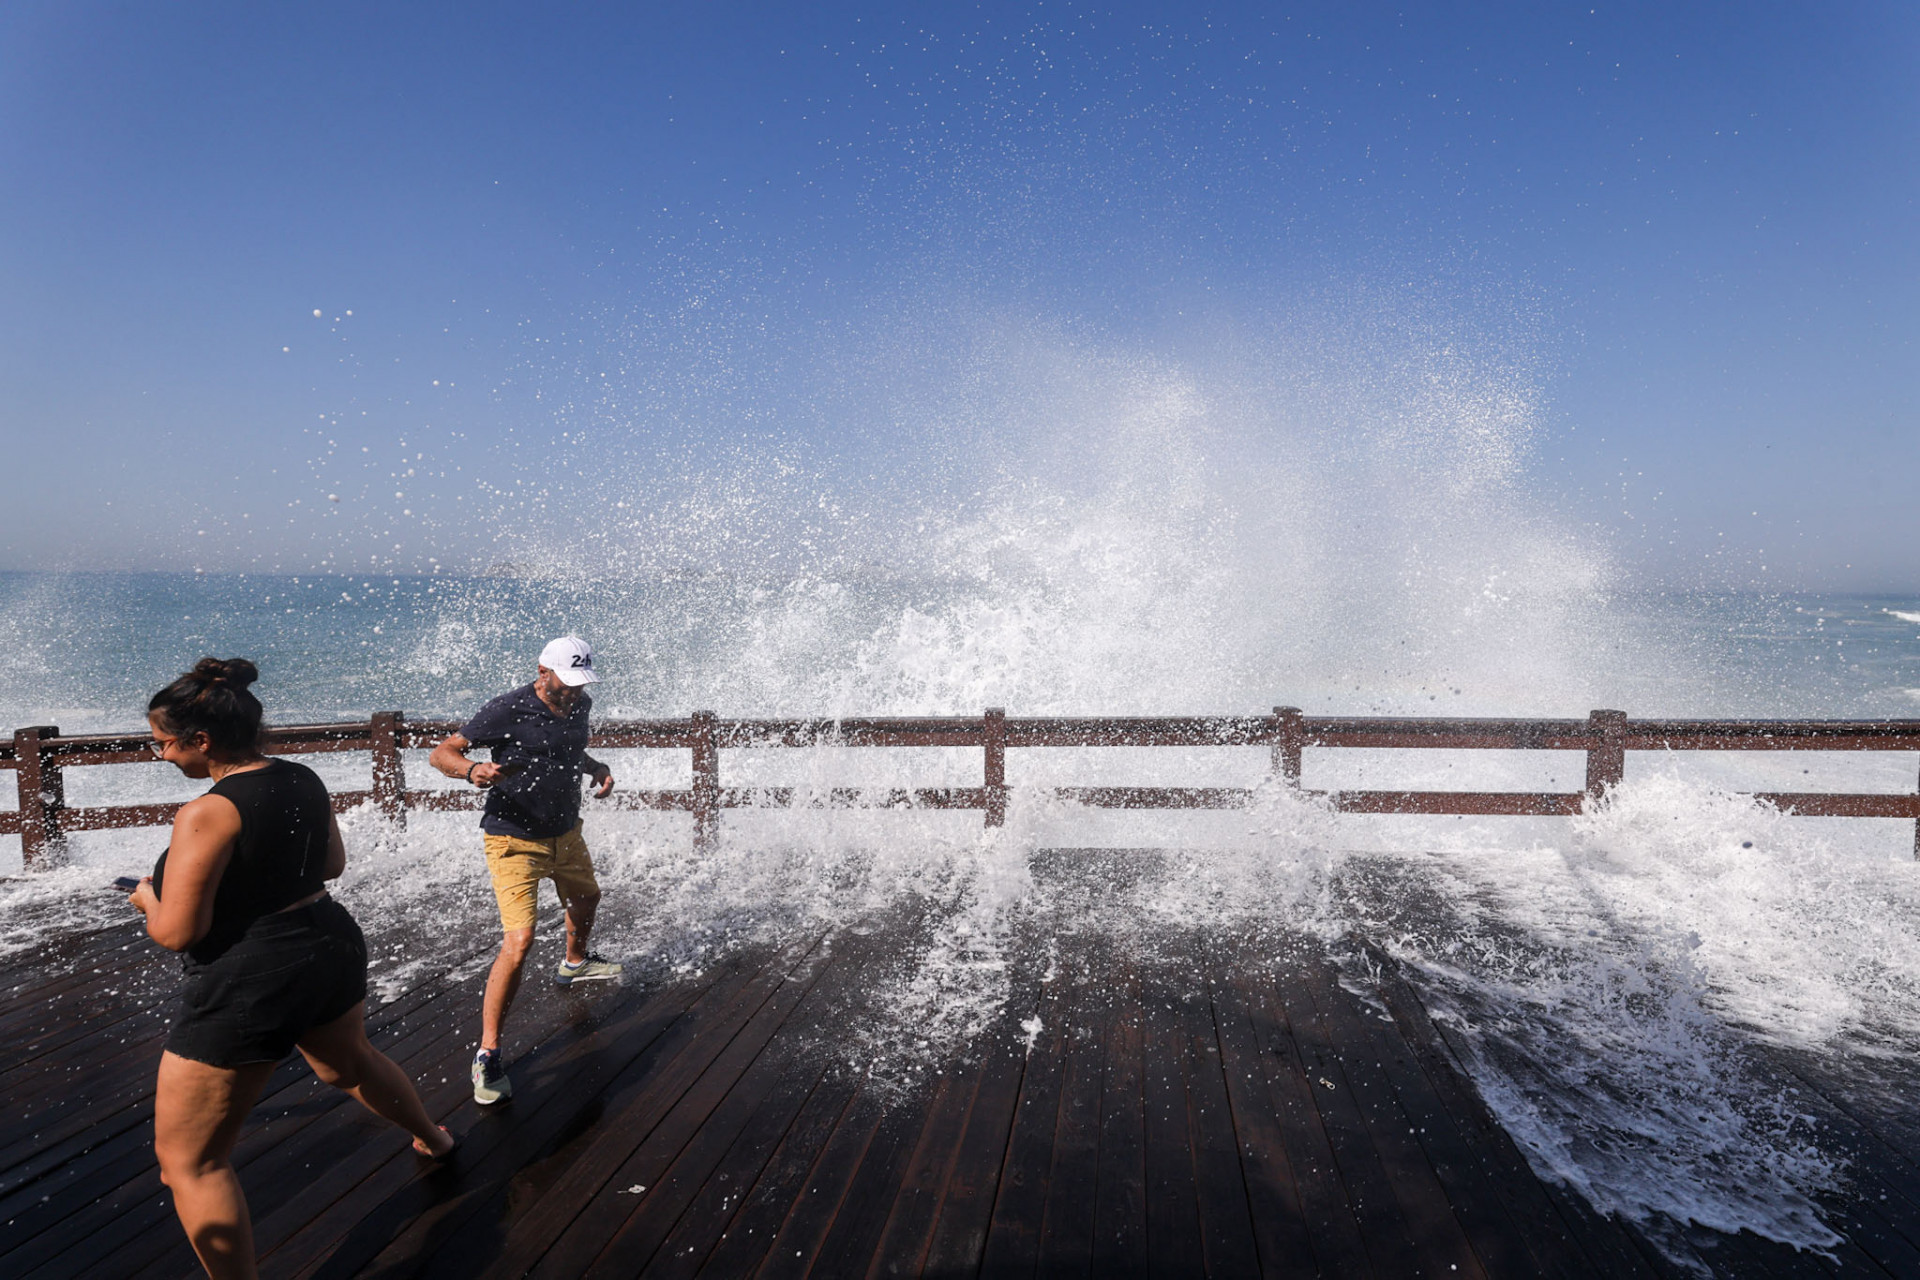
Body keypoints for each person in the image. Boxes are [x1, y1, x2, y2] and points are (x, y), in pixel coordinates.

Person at [127, 658, 454, 1280]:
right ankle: (437, 1140)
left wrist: (148, 899)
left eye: (163, 744)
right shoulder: (302, 776)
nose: (161, 757)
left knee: (189, 1163)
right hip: (326, 943)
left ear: (201, 740)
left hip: (251, 978)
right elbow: (330, 864)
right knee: (347, 1062)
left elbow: (178, 932)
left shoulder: (207, 811)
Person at [428, 635, 622, 1107]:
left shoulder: (580, 704)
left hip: (565, 831)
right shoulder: (506, 709)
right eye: (566, 682)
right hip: (513, 839)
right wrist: (472, 769)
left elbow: (567, 751)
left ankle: (574, 963)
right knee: (520, 941)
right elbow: (441, 753)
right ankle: (488, 1053)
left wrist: (596, 768)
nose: (574, 691)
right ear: (542, 672)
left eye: (581, 683)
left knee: (588, 898)